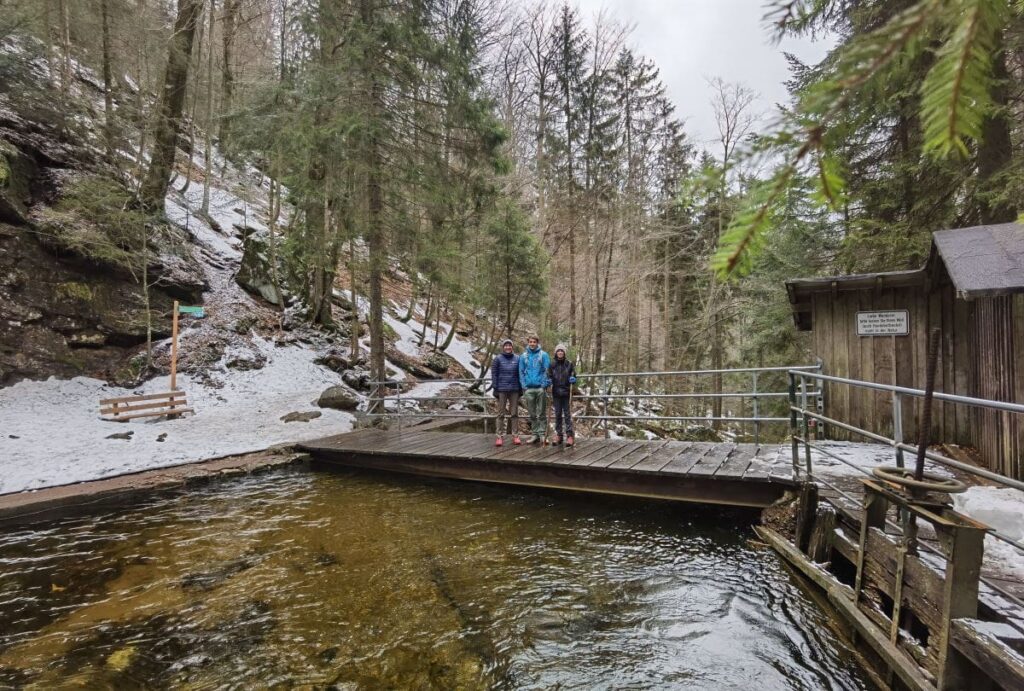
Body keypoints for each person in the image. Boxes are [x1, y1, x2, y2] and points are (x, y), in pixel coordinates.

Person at [518, 335, 551, 444]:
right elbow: (521, 372)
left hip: (540, 388)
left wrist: (544, 385)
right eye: (530, 342)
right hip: (528, 389)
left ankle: (542, 434)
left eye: (534, 342)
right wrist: (524, 386)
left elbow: (547, 371)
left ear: (537, 343)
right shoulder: (523, 356)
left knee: (541, 412)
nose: (532, 344)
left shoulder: (543, 355)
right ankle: (534, 434)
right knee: (532, 413)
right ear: (528, 343)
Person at [490, 338, 522, 447]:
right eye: (506, 345)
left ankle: (515, 435)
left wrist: (521, 388)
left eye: (510, 345)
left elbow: (520, 374)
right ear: (503, 347)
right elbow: (494, 374)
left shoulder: (518, 358)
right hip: (502, 389)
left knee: (514, 413)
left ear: (512, 347)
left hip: (514, 389)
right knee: (501, 413)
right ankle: (499, 436)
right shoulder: (497, 359)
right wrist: (495, 388)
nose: (508, 347)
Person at [548, 343, 576, 446]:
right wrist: (549, 381)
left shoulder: (569, 364)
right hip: (556, 393)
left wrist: (573, 379)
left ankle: (569, 436)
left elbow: (573, 374)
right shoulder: (552, 364)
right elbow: (549, 375)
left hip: (566, 393)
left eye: (562, 351)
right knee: (558, 414)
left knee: (567, 415)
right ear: (556, 353)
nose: (560, 352)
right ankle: (559, 435)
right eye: (558, 351)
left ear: (564, 353)